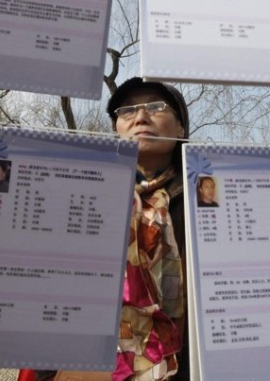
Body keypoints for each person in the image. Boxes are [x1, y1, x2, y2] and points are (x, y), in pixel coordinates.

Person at [27, 78, 190, 381]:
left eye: (155, 106)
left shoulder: (206, 199)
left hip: (187, 367)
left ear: (181, 127)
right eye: (126, 111)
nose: (140, 117)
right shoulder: (84, 197)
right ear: (116, 128)